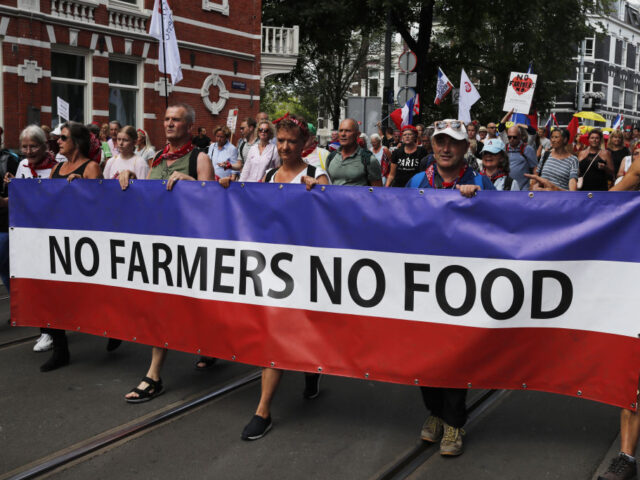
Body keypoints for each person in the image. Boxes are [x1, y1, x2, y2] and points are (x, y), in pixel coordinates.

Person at [237, 113, 329, 441]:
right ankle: (263, 409)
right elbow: (249, 211)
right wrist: (223, 190)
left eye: (292, 141)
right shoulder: (267, 176)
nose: (286, 146)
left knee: (303, 327)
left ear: (305, 144)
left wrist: (319, 193)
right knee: (274, 334)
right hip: (272, 271)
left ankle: (310, 368)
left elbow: (331, 219)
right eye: (281, 140)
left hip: (304, 269)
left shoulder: (318, 174)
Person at [405, 119, 494, 456]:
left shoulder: (480, 181)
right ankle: (435, 413)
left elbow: (503, 224)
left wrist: (480, 201)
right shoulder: (416, 181)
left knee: (456, 354)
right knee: (426, 352)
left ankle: (454, 422)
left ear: (465, 148)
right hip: (424, 282)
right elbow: (394, 217)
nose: (445, 148)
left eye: (453, 143)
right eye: (440, 141)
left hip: (463, 285)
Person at [118, 103, 215, 402]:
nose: (170, 124)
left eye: (176, 120)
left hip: (192, 248)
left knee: (199, 304)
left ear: (188, 126)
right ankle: (154, 375)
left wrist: (192, 184)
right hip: (162, 249)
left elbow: (213, 203)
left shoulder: (199, 158)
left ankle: (210, 346)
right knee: (162, 307)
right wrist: (131, 181)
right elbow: (148, 200)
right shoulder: (157, 159)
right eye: (167, 119)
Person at [38, 122, 103, 372]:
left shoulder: (91, 167)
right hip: (60, 242)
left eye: (63, 138)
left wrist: (83, 188)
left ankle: (115, 330)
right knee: (52, 293)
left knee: (94, 296)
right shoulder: (56, 169)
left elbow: (99, 205)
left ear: (76, 141)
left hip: (85, 243)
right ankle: (60, 349)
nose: (58, 142)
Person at [6, 126, 58, 351]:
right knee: (35, 283)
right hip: (29, 233)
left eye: (33, 146)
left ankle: (55, 328)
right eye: (25, 146)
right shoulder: (22, 165)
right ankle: (45, 330)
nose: (28, 151)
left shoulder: (56, 168)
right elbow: (19, 197)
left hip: (50, 232)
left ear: (44, 145)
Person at [325, 119, 382, 187]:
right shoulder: (331, 157)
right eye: (340, 131)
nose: (343, 134)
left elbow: (377, 192)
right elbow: (327, 187)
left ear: (357, 134)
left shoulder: (369, 160)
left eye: (348, 131)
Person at [502, 124, 538, 190]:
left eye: (514, 137)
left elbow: (535, 169)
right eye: (509, 137)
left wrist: (533, 185)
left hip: (523, 189)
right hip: (507, 188)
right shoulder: (504, 148)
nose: (512, 139)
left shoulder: (528, 149)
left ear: (520, 137)